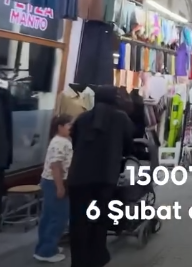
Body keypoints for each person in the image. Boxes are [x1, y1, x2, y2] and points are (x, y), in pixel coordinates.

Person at [68, 86, 135, 267]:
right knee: (99, 219)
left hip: (78, 176)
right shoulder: (121, 118)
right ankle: (97, 258)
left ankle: (78, 262)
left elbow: (75, 143)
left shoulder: (82, 118)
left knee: (78, 222)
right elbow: (129, 145)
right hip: (104, 177)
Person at [34, 115, 73, 263]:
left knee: (49, 216)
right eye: (69, 125)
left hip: (50, 181)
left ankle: (45, 247)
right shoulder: (60, 143)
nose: (71, 128)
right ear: (60, 127)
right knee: (58, 218)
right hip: (55, 182)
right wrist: (60, 186)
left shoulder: (59, 141)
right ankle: (46, 252)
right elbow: (56, 165)